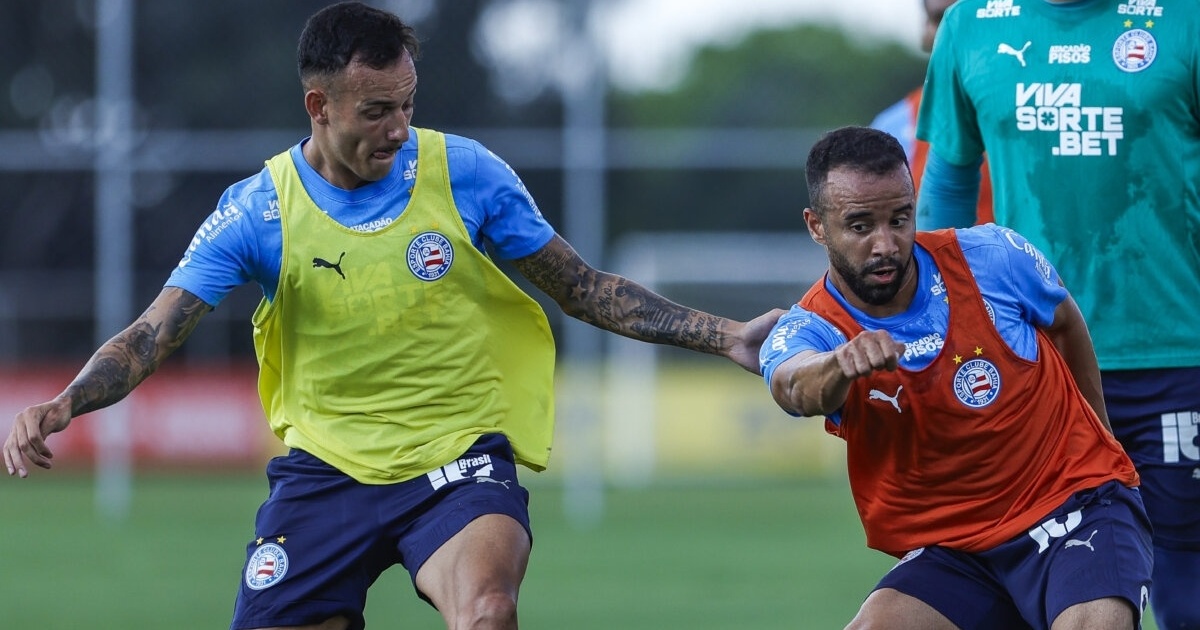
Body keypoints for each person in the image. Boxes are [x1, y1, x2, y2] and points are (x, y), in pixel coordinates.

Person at [3, 3, 783, 629]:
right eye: (377, 111)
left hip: (457, 461)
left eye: (407, 104)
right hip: (326, 472)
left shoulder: (466, 174)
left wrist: (727, 336)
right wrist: (67, 399)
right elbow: (150, 334)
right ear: (319, 105)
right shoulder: (256, 212)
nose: (400, 129)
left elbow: (581, 287)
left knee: (488, 612)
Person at [761, 126, 1152, 629]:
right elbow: (793, 385)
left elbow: (1066, 323)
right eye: (860, 227)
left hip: (1075, 505)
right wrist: (839, 363)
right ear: (817, 226)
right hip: (958, 548)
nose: (886, 244)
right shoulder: (812, 328)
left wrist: (1102, 441)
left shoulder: (993, 258)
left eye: (900, 219)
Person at [915, 2, 1200, 626]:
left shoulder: (1184, 17)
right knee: (1034, 577)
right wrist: (935, 330)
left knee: (1189, 583)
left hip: (1176, 356)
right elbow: (948, 185)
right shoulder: (971, 24)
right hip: (1033, 369)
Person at [868, 0, 993, 225]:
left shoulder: (1040, 105)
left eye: (973, 16)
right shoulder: (892, 126)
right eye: (942, 18)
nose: (957, 26)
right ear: (926, 31)